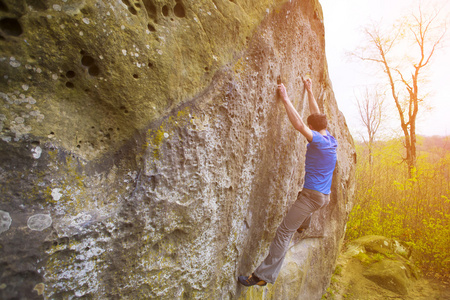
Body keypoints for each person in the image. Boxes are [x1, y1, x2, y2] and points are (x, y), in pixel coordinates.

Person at [238, 77, 338, 287]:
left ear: (313, 127)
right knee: (303, 206)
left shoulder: (318, 141)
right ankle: (303, 224)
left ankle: (262, 276)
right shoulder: (329, 138)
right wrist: (309, 91)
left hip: (311, 198)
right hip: (322, 197)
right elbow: (316, 116)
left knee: (284, 232)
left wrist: (285, 98)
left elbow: (300, 124)